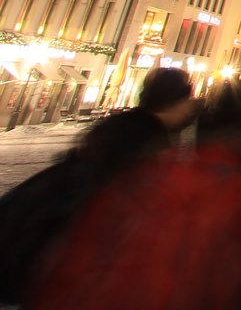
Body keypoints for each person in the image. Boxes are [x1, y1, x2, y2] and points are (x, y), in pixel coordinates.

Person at [0, 68, 194, 302]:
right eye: (187, 99)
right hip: (84, 272)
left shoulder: (124, 128)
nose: (189, 107)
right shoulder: (145, 142)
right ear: (174, 101)